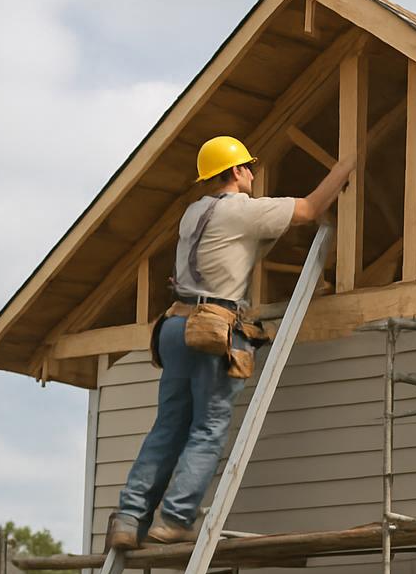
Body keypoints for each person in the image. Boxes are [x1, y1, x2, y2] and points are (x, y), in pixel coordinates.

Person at [105, 135, 355, 550]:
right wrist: (346, 167)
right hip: (211, 327)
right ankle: (175, 518)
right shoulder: (240, 209)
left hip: (174, 324)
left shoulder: (193, 213)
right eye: (248, 167)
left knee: (168, 426)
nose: (253, 173)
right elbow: (309, 209)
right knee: (208, 427)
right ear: (236, 171)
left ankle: (129, 520)